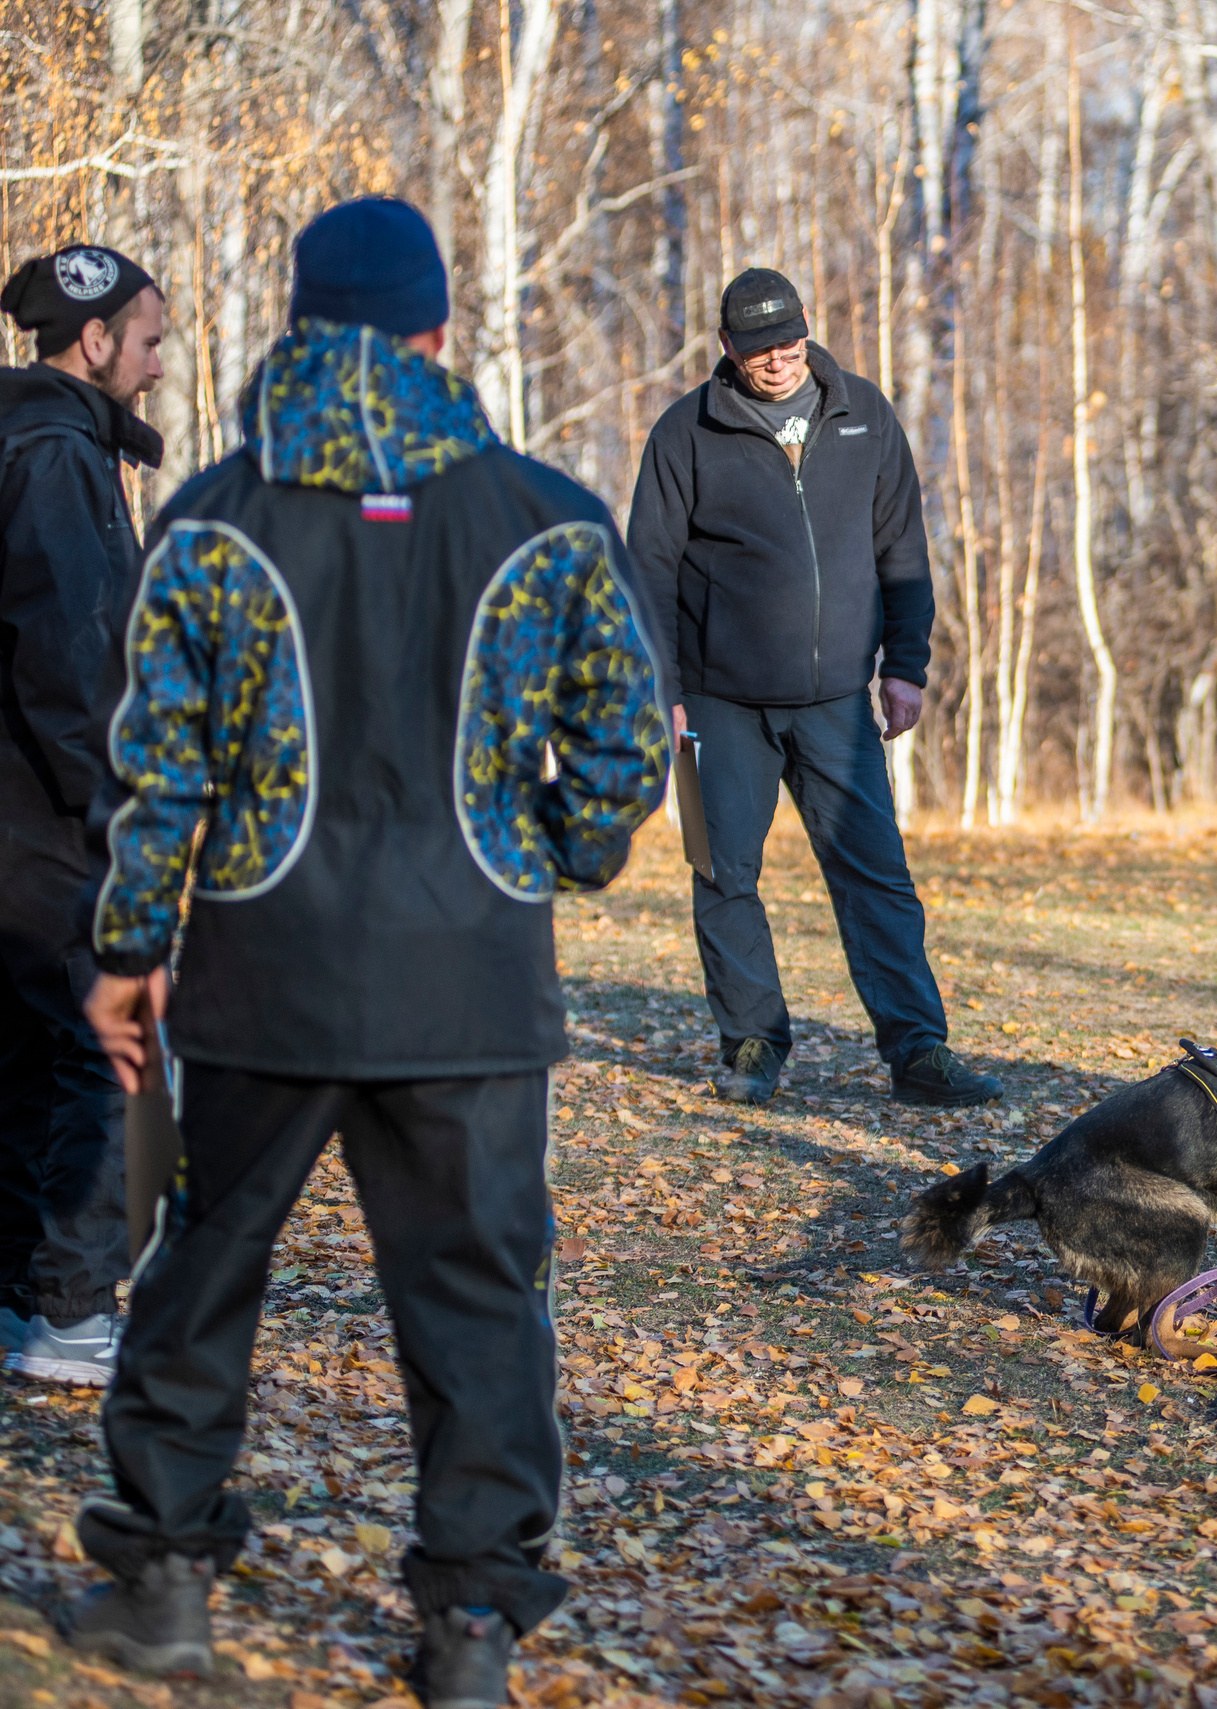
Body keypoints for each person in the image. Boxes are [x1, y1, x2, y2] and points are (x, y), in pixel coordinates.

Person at [70, 198, 667, 1705]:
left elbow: (160, 766)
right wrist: (548, 848)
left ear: (298, 324)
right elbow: (626, 742)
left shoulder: (213, 515)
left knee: (201, 1275)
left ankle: (165, 1585)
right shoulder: (544, 515)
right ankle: (469, 1627)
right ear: (436, 331)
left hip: (267, 967)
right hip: (470, 979)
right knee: (476, 1304)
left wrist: (131, 946)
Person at [627, 268, 1001, 1109]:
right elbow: (645, 572)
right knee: (717, 869)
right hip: (713, 704)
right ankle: (751, 1041)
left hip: (838, 700)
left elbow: (902, 550)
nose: (779, 359)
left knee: (878, 874)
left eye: (791, 341)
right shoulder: (684, 433)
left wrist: (905, 666)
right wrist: (665, 693)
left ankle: (919, 1051)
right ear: (727, 348)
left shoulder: (862, 413)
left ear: (808, 329)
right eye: (759, 348)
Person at [0, 244, 165, 1387]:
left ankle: (24, 1297)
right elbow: (66, 655)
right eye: (149, 339)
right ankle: (65, 1310)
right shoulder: (54, 459)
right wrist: (115, 813)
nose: (158, 365)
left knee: (25, 1052)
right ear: (94, 340)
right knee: (107, 1042)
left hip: (27, 814)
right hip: (55, 817)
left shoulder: (45, 443)